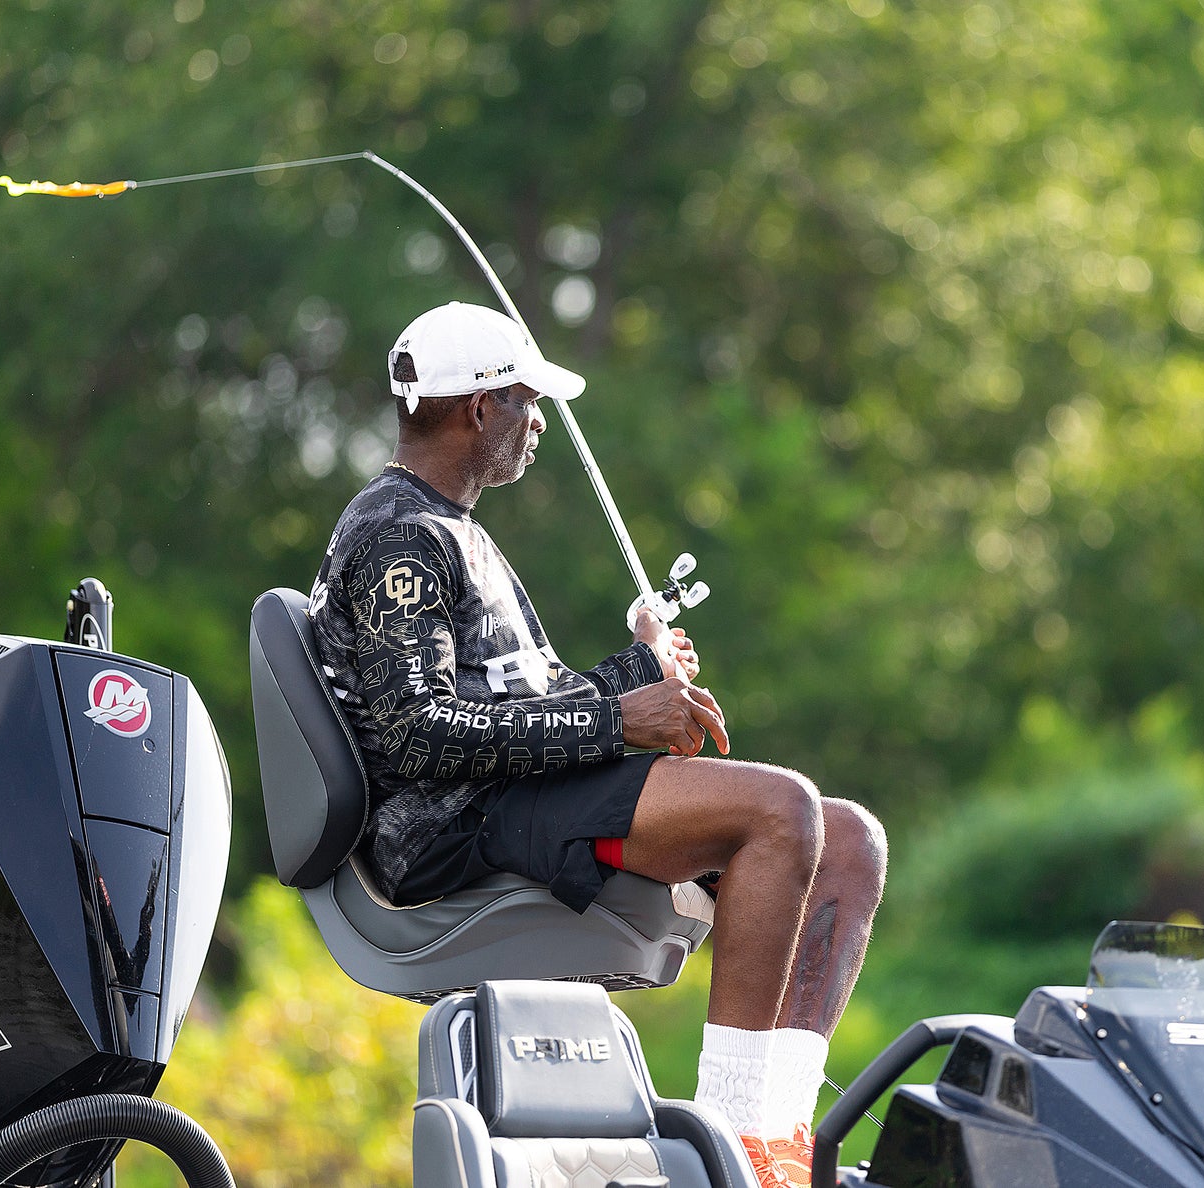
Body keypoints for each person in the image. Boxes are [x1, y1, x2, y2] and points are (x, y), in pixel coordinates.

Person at [308, 301, 887, 1188]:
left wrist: (634, 669)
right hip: (453, 827)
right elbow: (417, 733)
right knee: (781, 812)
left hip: (512, 797)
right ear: (478, 409)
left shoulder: (458, 532)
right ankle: (734, 1141)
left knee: (847, 840)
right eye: (527, 401)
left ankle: (778, 1134)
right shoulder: (401, 536)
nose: (539, 421)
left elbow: (521, 702)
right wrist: (621, 721)